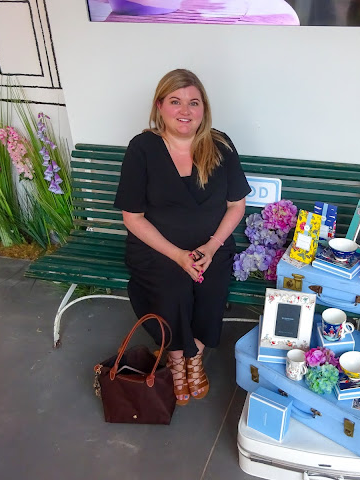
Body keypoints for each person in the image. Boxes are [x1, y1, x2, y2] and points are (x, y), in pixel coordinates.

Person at [114, 69, 251, 405]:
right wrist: (176, 254)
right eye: (175, 102)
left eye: (193, 102)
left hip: (212, 245)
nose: (185, 111)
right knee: (172, 287)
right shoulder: (142, 148)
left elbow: (236, 205)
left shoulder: (220, 145)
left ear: (204, 108)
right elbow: (133, 217)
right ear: (160, 106)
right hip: (157, 248)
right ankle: (179, 363)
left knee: (210, 286)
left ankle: (194, 358)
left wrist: (211, 245)